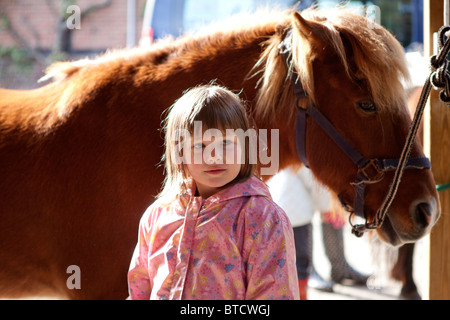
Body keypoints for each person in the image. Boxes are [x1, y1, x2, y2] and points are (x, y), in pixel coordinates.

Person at [127, 84, 299, 300]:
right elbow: (138, 291)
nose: (214, 156)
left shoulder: (263, 218)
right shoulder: (157, 216)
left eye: (226, 143)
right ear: (179, 153)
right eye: (200, 146)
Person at [267, 167, 369, 299]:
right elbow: (313, 181)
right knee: (301, 259)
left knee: (293, 259)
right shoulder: (302, 160)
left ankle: (310, 282)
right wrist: (326, 207)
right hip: (296, 212)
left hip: (285, 208)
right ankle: (303, 287)